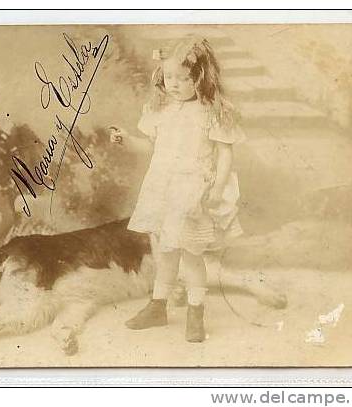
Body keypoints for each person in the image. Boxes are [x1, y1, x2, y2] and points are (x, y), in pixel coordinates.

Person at [111, 38, 244, 342]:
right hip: (162, 188)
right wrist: (125, 140)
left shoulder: (213, 112)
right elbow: (148, 145)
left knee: (192, 254)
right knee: (165, 251)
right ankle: (159, 306)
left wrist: (218, 186)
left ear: (200, 77)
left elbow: (225, 153)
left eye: (183, 79)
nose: (174, 84)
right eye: (168, 77)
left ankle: (195, 312)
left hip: (192, 190)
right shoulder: (161, 109)